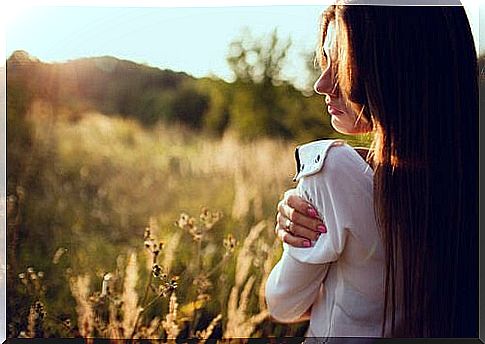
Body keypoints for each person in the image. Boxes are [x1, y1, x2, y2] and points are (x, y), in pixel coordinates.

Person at [265, 1, 478, 339]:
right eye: (326, 60)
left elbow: (282, 304)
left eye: (344, 64)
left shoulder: (333, 172)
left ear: (396, 69)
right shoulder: (466, 181)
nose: (322, 83)